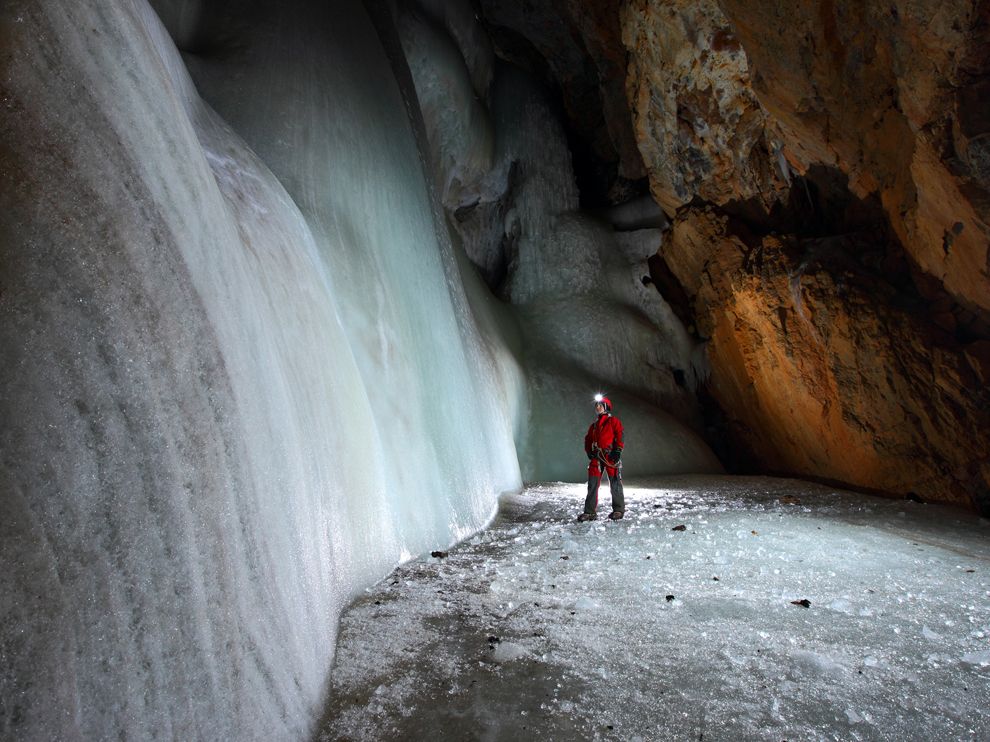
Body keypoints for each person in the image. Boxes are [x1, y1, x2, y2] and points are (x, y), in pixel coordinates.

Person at [578, 394, 624, 521]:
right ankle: (589, 512)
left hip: (610, 456)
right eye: (596, 405)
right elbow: (588, 439)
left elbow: (620, 435)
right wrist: (589, 451)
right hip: (597, 457)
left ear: (606, 407)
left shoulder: (614, 422)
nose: (597, 407)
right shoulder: (594, 426)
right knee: (592, 484)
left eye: (600, 405)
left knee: (615, 483)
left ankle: (618, 510)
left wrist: (618, 451)